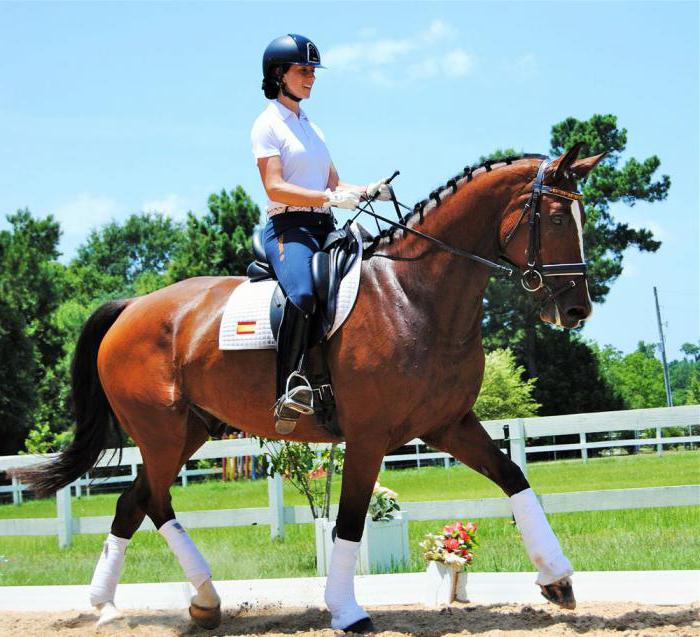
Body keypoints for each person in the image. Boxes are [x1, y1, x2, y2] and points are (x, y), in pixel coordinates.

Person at [251, 33, 391, 434]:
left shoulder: (312, 127)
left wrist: (365, 191)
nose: (311, 77)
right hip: (288, 227)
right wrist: (327, 198)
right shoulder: (267, 125)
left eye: (313, 71)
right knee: (304, 294)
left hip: (322, 224)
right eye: (303, 70)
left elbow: (334, 182)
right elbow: (274, 187)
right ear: (279, 75)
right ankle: (288, 388)